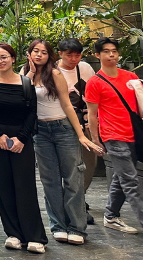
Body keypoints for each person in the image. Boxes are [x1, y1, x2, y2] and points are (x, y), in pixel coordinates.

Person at [22, 39, 103, 244]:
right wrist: (31, 72)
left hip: (62, 128)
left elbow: (67, 105)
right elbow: (22, 98)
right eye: (35, 51)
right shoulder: (24, 75)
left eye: (43, 52)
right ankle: (58, 225)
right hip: (40, 132)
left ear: (50, 56)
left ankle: (77, 227)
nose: (39, 55)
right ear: (29, 54)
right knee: (50, 182)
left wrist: (81, 134)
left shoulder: (55, 74)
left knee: (72, 178)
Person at [0, 44, 47, 253]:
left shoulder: (26, 83)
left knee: (25, 185)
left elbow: (32, 113)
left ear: (13, 58)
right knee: (3, 186)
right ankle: (13, 233)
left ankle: (34, 236)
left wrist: (21, 138)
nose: (0, 61)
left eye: (4, 57)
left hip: (22, 140)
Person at [85, 37, 143, 233]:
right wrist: (95, 139)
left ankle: (110, 216)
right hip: (113, 136)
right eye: (106, 51)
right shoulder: (94, 82)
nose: (111, 55)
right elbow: (92, 115)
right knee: (131, 181)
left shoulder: (131, 77)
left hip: (134, 134)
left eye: (114, 51)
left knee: (121, 177)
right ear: (97, 55)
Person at [57, 38, 98, 224]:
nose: (73, 59)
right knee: (68, 166)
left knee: (89, 163)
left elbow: (94, 94)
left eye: (77, 55)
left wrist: (92, 117)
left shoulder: (86, 68)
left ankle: (79, 198)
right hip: (60, 123)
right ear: (60, 54)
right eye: (69, 55)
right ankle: (73, 205)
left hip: (84, 122)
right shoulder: (53, 71)